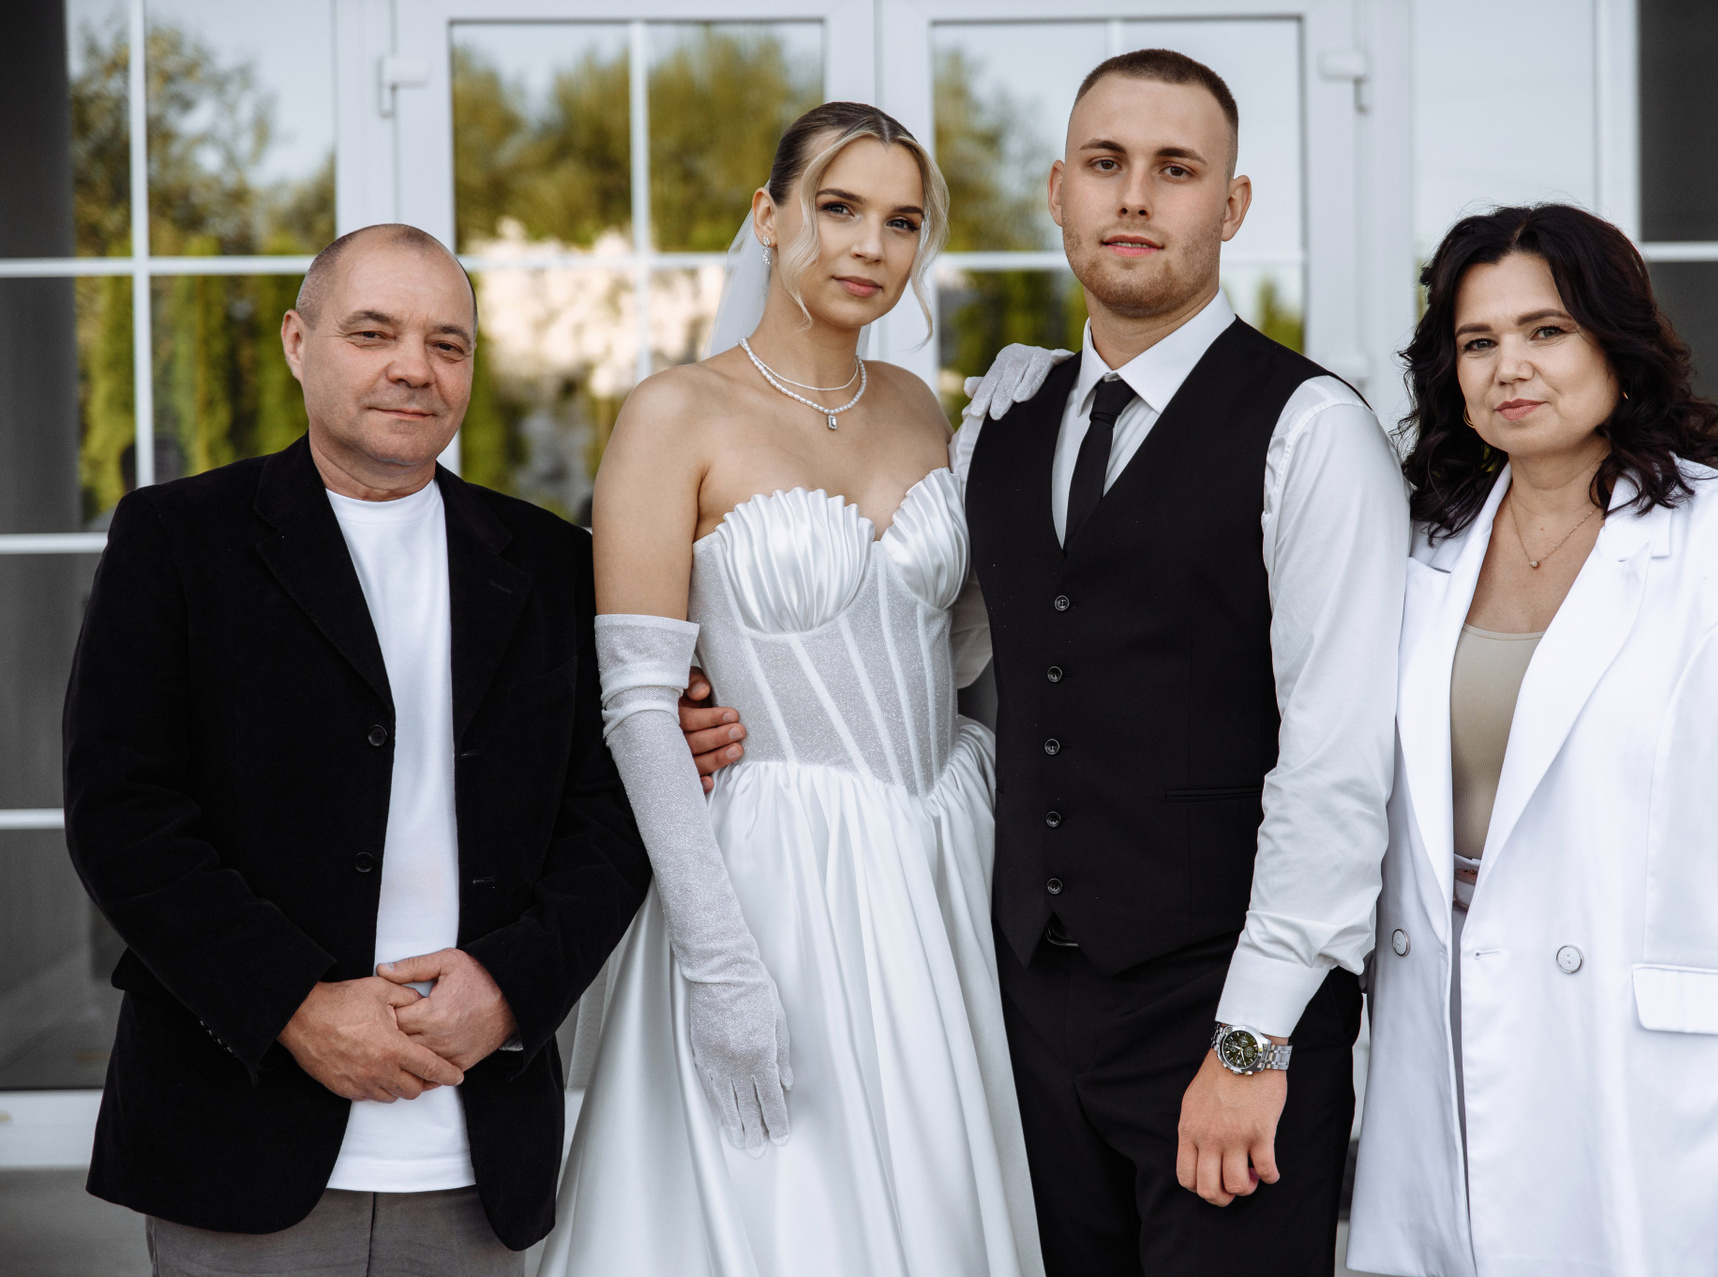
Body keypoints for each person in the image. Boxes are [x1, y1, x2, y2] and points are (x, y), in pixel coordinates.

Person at [799, 50, 1405, 1276]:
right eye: (1105, 163)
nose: (1134, 196)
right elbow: (934, 655)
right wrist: (734, 698)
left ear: (1231, 205)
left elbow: (1337, 764)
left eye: (1176, 169)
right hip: (1025, 1004)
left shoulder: (1313, 431)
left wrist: (1252, 1043)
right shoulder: (1006, 419)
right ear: (1057, 191)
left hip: (1224, 1007)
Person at [63, 224, 651, 1274]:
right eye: (373, 333)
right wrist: (294, 1005)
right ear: (299, 342)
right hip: (237, 1133)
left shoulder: (557, 565)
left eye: (447, 343)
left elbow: (609, 816)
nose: (414, 367)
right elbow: (124, 812)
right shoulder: (177, 538)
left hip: (476, 1150)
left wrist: (511, 986)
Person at [537, 102, 1043, 1277]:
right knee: (786, 1212)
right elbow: (637, 705)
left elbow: (950, 650)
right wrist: (721, 964)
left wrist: (1009, 439)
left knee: (938, 1194)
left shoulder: (921, 406)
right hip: (773, 874)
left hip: (936, 856)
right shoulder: (675, 413)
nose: (871, 245)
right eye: (839, 207)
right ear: (767, 216)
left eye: (902, 222)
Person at [1345, 204, 1718, 1277]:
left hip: (1644, 1085)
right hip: (1440, 1054)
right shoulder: (1416, 545)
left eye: (1546, 330)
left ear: (1616, 344)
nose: (1510, 365)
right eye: (1478, 340)